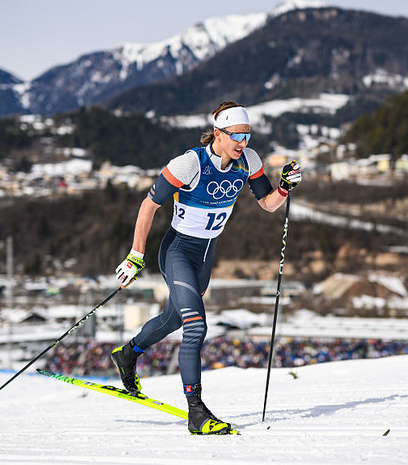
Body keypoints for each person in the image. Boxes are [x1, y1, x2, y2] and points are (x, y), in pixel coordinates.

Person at [112, 101, 301, 435]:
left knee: (172, 319)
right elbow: (148, 206)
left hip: (206, 255)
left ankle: (129, 353)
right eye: (235, 135)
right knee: (195, 327)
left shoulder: (249, 160)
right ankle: (196, 412)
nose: (242, 142)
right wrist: (136, 255)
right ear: (217, 133)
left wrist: (284, 187)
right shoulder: (189, 164)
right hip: (178, 252)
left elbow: (268, 204)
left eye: (247, 134)